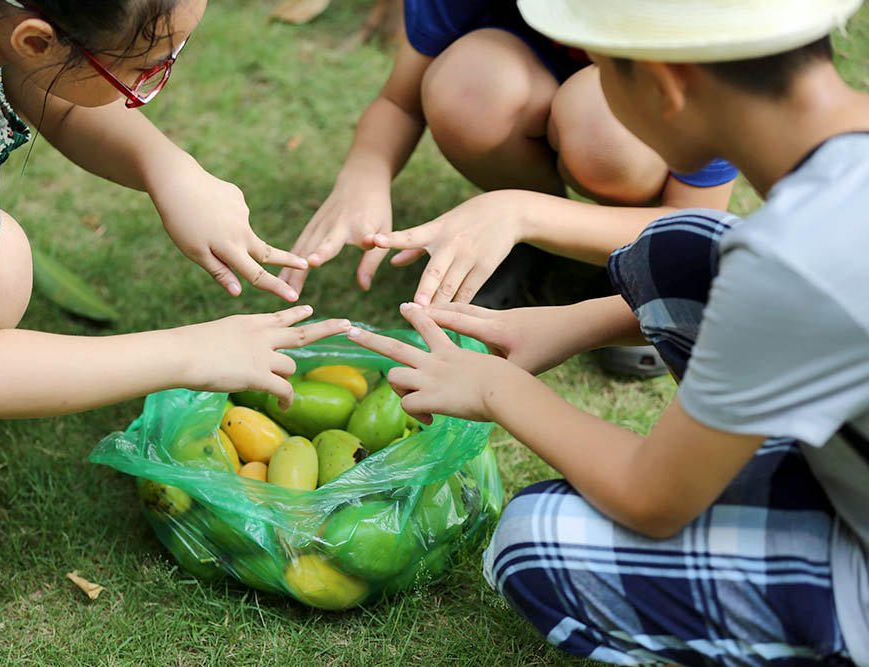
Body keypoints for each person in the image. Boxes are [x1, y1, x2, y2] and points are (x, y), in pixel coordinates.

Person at [345, 0, 869, 663]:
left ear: (665, 84)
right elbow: (785, 297)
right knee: (681, 245)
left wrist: (496, 388)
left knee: (533, 544)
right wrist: (574, 323)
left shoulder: (795, 258)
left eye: (600, 66)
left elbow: (653, 499)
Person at [0, 0, 352, 529]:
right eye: (146, 68)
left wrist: (166, 167)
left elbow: (38, 81)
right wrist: (193, 352)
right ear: (37, 40)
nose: (153, 78)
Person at [279, 0, 738, 311]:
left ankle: (634, 265)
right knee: (468, 85)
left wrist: (520, 211)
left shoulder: (707, 25)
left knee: (606, 128)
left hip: (624, 144)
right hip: (529, 76)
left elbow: (697, 223)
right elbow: (399, 101)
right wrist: (364, 173)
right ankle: (530, 245)